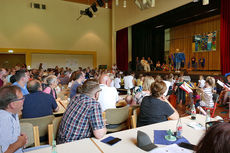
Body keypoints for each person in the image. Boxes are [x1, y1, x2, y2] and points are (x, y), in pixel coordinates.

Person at [57, 79, 106, 144]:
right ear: (96, 93)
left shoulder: (75, 97)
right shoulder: (94, 105)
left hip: (60, 142)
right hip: (74, 144)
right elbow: (99, 135)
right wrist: (104, 126)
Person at [0, 86, 27, 153]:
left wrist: (19, 139)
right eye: (22, 98)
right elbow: (5, 151)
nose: (23, 100)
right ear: (13, 104)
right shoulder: (4, 119)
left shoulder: (14, 113)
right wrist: (20, 142)